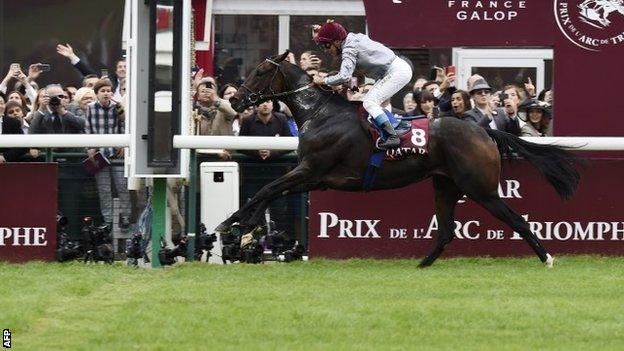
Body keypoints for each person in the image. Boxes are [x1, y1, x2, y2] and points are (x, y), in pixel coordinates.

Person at [311, 19, 412, 149]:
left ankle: (393, 136)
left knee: (369, 102)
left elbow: (344, 76)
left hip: (396, 71)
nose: (326, 50)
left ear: (336, 42)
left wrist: (323, 80)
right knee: (369, 101)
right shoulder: (351, 38)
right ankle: (395, 127)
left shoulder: (348, 49)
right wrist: (325, 31)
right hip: (394, 70)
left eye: (326, 46)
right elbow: (357, 76)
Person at [85, 78, 130, 229]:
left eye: (108, 90)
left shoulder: (118, 106)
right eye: (102, 91)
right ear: (96, 93)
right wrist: (90, 147)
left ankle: (125, 217)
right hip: (99, 154)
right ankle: (108, 221)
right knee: (104, 189)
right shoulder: (90, 107)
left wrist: (124, 145)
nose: (106, 93)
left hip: (117, 153)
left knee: (122, 186)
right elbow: (88, 128)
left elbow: (124, 125)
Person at [0, 94, 27, 163]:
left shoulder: (13, 122)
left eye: (1, 103)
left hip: (7, 165)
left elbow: (24, 146)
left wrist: (5, 156)